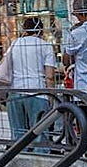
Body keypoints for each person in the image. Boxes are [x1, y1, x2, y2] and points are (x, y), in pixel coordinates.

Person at [4, 16, 56, 146]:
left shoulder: (14, 44)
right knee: (40, 135)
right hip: (37, 92)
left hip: (15, 92)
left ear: (25, 29)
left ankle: (21, 159)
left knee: (18, 134)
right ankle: (40, 161)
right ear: (41, 30)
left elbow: (5, 68)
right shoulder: (46, 46)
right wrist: (51, 97)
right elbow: (49, 76)